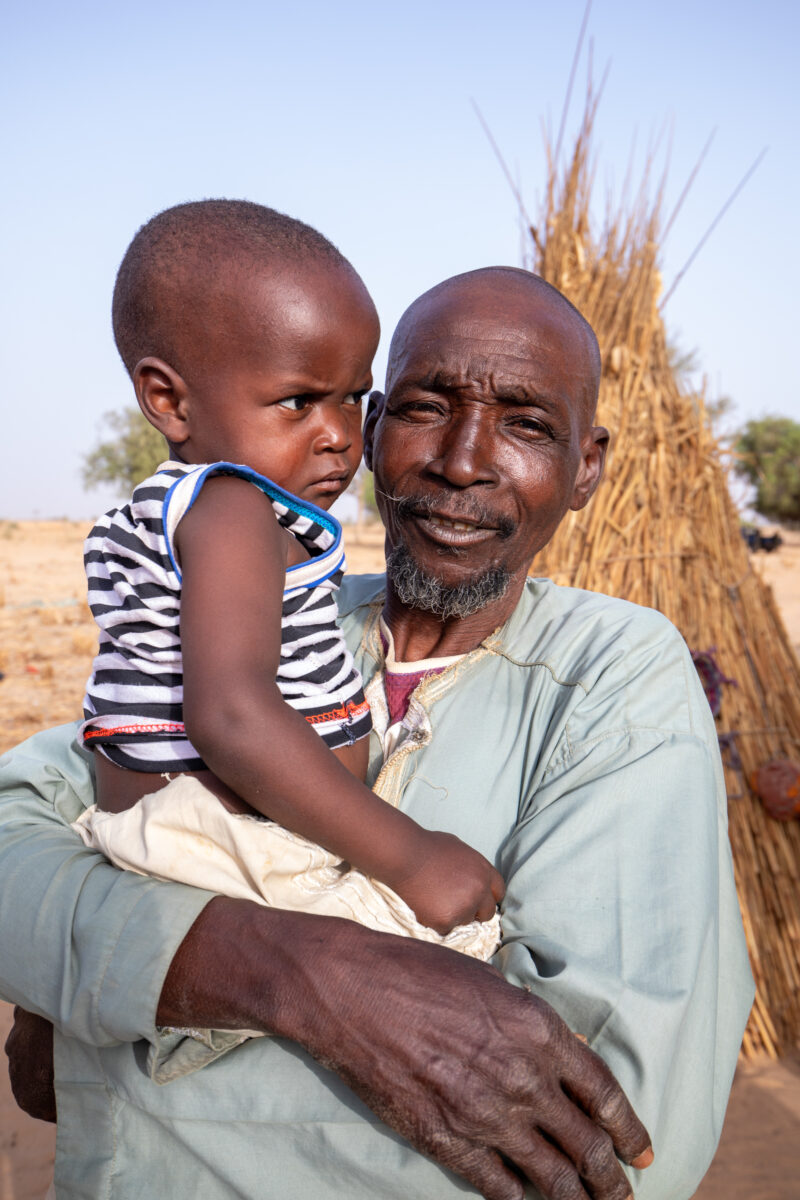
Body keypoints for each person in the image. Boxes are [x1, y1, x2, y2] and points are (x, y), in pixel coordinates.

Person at [1, 266, 753, 1200]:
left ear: (586, 467)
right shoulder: (269, 616)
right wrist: (296, 972)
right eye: (425, 408)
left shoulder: (614, 676)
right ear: (374, 423)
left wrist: (102, 1017)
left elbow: (612, 1136)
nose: (462, 460)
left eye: (524, 424)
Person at [72, 200, 502, 958]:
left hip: (210, 845)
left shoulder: (187, 514)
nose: (339, 434)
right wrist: (409, 855)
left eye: (352, 398)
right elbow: (232, 715)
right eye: (299, 400)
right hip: (232, 853)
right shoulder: (233, 509)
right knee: (459, 961)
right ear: (168, 400)